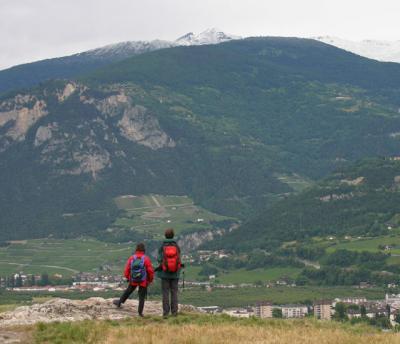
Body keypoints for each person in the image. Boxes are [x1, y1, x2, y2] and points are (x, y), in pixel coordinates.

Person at [113, 243, 154, 317]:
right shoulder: (146, 259)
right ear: (144, 250)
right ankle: (140, 313)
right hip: (143, 280)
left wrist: (128, 278)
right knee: (141, 296)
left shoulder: (132, 258)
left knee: (128, 291)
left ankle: (119, 302)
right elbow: (150, 271)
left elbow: (127, 270)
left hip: (133, 279)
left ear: (136, 249)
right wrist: (149, 280)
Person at [156, 228, 183, 317]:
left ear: (165, 235)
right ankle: (174, 312)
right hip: (175, 273)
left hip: (165, 273)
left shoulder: (162, 246)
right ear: (173, 235)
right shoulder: (176, 246)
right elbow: (179, 258)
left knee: (165, 293)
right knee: (174, 292)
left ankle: (166, 313)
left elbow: (159, 259)